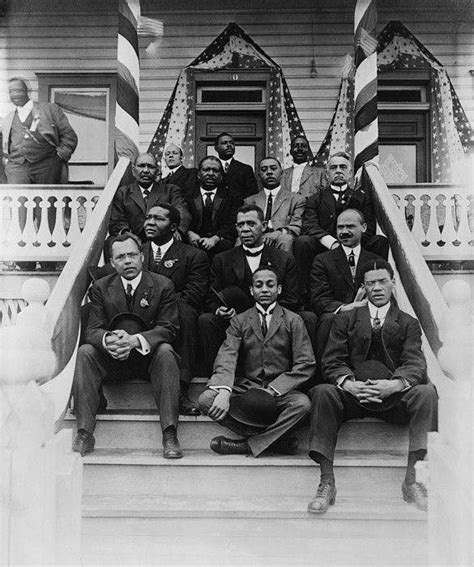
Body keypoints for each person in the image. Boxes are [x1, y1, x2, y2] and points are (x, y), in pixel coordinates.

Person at [307, 259, 438, 514]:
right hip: (354, 396)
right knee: (323, 392)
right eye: (370, 283)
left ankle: (413, 480)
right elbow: (332, 360)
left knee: (427, 393)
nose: (377, 288)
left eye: (382, 281)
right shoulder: (346, 319)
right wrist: (349, 384)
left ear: (392, 283)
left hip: (393, 398)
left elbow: (415, 361)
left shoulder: (408, 322)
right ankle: (326, 482)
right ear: (363, 287)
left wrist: (396, 384)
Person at [72, 233, 183, 459]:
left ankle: (170, 433)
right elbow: (93, 329)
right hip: (113, 359)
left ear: (142, 257)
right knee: (85, 352)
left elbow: (168, 328)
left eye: (132, 255)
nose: (128, 261)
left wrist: (135, 340)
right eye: (120, 257)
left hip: (148, 360)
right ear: (112, 262)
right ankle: (84, 432)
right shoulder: (102, 286)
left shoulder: (163, 285)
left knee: (166, 351)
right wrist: (109, 340)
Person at [198, 266, 315, 457]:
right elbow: (227, 355)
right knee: (206, 400)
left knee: (303, 404)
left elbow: (306, 363)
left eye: (270, 285)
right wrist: (224, 390)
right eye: (259, 285)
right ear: (251, 291)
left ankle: (248, 445)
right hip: (248, 388)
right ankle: (274, 441)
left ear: (279, 289)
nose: (265, 290)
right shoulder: (240, 321)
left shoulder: (293, 320)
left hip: (280, 391)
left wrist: (273, 389)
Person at [197, 203, 300, 375]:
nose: (245, 229)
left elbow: (292, 298)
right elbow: (211, 298)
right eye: (240, 225)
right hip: (234, 322)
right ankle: (215, 378)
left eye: (251, 224)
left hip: (272, 319)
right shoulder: (222, 259)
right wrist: (219, 310)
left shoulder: (284, 259)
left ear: (264, 226)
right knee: (206, 320)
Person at [293, 151, 389, 305]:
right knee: (303, 242)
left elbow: (369, 227)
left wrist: (350, 242)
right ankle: (303, 298)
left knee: (379, 241)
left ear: (350, 173)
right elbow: (310, 225)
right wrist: (332, 243)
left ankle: (376, 289)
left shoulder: (362, 197)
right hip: (324, 248)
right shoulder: (315, 199)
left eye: (343, 167)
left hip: (356, 246)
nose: (338, 171)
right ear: (327, 174)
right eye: (333, 167)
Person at [143, 203, 209, 415]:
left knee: (186, 313)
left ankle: (180, 388)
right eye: (148, 217)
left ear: (173, 227)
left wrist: (159, 306)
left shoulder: (193, 255)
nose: (150, 222)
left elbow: (194, 294)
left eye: (158, 219)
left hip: (174, 314)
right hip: (138, 314)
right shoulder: (135, 254)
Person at [310, 209, 381, 366]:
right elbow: (319, 299)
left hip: (367, 313)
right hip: (338, 316)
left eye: (350, 226)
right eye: (340, 227)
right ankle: (325, 374)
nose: (344, 232)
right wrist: (347, 307)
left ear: (363, 227)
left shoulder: (375, 260)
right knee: (327, 319)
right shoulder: (322, 260)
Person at [2, 77, 78, 184]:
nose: (15, 95)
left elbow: (69, 136)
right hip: (17, 168)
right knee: (18, 199)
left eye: (18, 90)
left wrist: (59, 156)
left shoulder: (50, 109)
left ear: (27, 91)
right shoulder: (8, 119)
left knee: (47, 199)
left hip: (46, 167)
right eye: (11, 92)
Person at [109, 152, 191, 242]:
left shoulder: (170, 190)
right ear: (133, 170)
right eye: (141, 166)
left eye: (150, 167)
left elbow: (182, 212)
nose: (146, 170)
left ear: (157, 171)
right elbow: (117, 221)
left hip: (163, 240)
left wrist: (177, 230)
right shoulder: (123, 192)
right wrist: (128, 236)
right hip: (133, 242)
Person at [245, 157, 305, 254]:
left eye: (273, 168)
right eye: (264, 170)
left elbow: (296, 225)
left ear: (282, 173)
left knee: (286, 239)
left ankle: (283, 268)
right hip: (257, 236)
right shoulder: (250, 201)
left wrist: (277, 233)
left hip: (282, 236)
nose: (269, 172)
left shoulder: (296, 199)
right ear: (259, 175)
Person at [186, 156, 237, 258]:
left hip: (220, 243)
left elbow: (232, 223)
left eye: (215, 170)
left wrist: (215, 238)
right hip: (193, 241)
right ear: (199, 174)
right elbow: (183, 218)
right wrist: (189, 233)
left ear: (221, 176)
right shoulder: (187, 195)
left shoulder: (230, 197)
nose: (210, 173)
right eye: (206, 170)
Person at [214, 132, 258, 204]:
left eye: (231, 143)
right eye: (224, 143)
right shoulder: (211, 169)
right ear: (216, 148)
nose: (229, 145)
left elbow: (252, 194)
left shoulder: (245, 169)